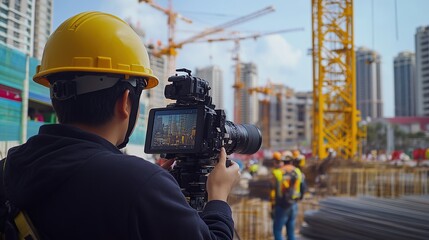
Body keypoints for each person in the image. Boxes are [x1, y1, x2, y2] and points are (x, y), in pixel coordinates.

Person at [0, 11, 240, 239]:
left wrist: (153, 184)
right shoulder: (141, 186)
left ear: (55, 93)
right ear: (126, 101)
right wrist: (217, 198)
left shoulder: (7, 168)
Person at [270, 151, 303, 240]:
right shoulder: (297, 171)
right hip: (294, 204)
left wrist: (272, 206)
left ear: (282, 161)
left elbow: (273, 192)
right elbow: (303, 186)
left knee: (277, 230)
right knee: (291, 232)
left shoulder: (278, 173)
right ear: (292, 161)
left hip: (281, 205)